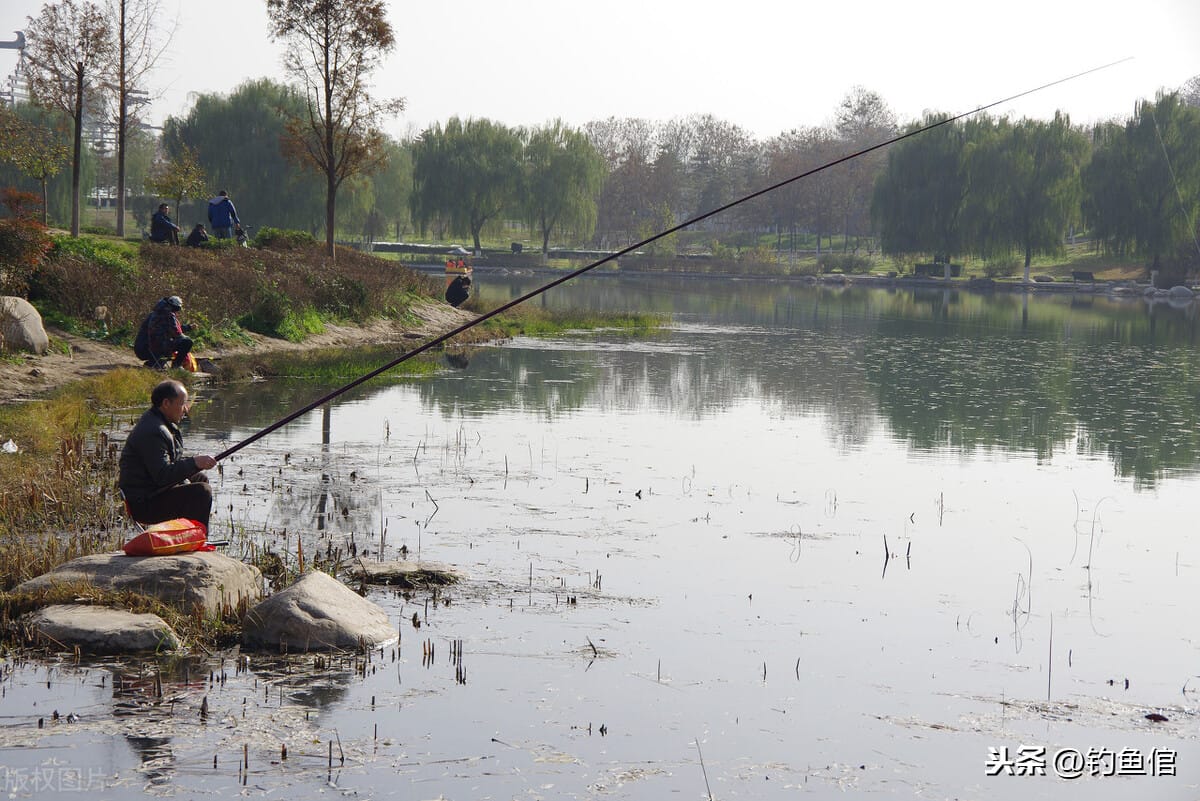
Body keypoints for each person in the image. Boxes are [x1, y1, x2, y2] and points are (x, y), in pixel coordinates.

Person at [119, 379, 216, 528]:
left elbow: (169, 464)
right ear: (166, 404)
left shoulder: (159, 422)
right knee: (202, 492)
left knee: (199, 478)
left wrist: (193, 467)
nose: (186, 409)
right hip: (144, 504)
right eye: (182, 403)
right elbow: (162, 475)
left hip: (152, 492)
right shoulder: (153, 431)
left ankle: (186, 533)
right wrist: (194, 462)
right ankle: (196, 539)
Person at [143, 295, 195, 369]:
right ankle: (176, 366)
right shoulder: (169, 314)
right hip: (161, 344)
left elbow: (171, 329)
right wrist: (184, 337)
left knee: (180, 341)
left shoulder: (157, 312)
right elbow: (176, 332)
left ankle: (154, 363)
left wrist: (187, 328)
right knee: (187, 342)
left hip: (151, 343)